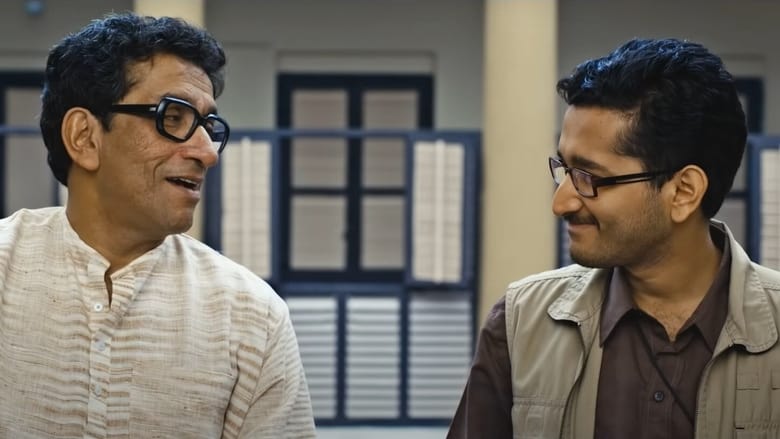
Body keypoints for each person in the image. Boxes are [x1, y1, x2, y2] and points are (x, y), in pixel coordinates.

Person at [0, 12, 316, 438]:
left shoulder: (251, 316)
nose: (208, 153)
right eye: (173, 118)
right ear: (84, 137)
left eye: (208, 126)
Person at [448, 38, 780, 439]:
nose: (561, 203)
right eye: (564, 170)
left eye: (589, 177)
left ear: (683, 191)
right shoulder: (522, 323)